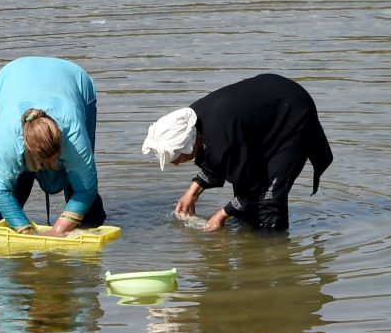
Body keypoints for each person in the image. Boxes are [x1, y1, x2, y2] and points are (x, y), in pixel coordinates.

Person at [141, 74, 332, 233]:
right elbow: (219, 160)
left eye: (176, 158)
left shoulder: (219, 136)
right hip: (268, 113)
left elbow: (253, 189)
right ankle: (249, 238)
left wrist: (221, 215)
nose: (175, 163)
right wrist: (192, 192)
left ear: (187, 145)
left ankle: (275, 252)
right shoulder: (191, 122)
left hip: (293, 116)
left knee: (269, 199)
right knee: (244, 195)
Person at [0, 57, 106, 236]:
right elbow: (0, 190)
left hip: (74, 80)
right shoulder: (9, 141)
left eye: (56, 160)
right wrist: (25, 231)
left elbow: (86, 188)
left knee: (79, 186)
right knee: (9, 195)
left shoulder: (73, 134)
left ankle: (90, 221)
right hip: (13, 77)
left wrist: (58, 231)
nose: (52, 167)